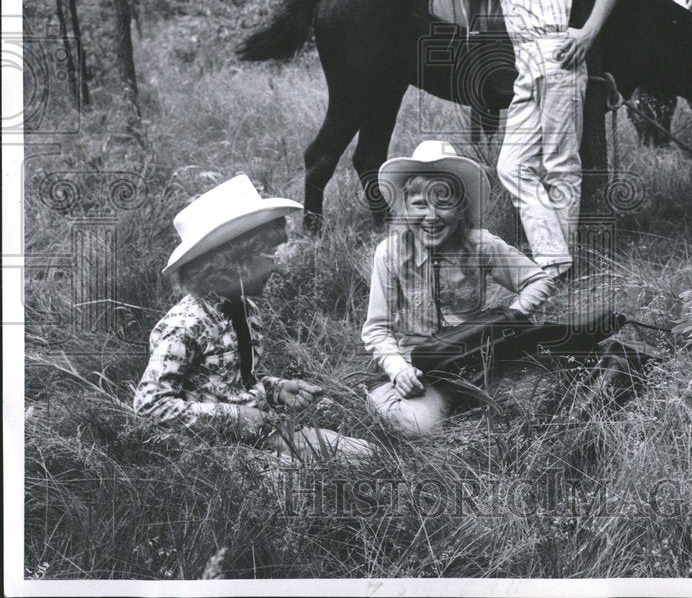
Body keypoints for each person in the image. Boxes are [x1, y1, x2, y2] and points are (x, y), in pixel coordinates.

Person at [434, 0, 620, 279]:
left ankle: (555, 266)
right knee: (512, 166)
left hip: (559, 55)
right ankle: (554, 254)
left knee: (559, 163)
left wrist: (587, 33)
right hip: (524, 64)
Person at [134, 174, 374, 463]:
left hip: (264, 430)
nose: (276, 266)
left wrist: (277, 389)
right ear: (237, 263)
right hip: (213, 449)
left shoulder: (246, 310)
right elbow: (149, 406)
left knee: (365, 456)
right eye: (270, 255)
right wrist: (234, 416)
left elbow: (237, 381)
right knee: (303, 485)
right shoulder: (185, 325)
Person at [362, 140, 555, 437]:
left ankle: (466, 405)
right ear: (405, 206)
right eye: (420, 204)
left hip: (479, 358)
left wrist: (510, 318)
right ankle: (415, 402)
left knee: (540, 404)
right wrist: (398, 369)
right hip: (418, 365)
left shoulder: (482, 245)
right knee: (413, 426)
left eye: (444, 202)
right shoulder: (389, 254)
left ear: (461, 208)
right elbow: (377, 329)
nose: (431, 216)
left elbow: (538, 279)